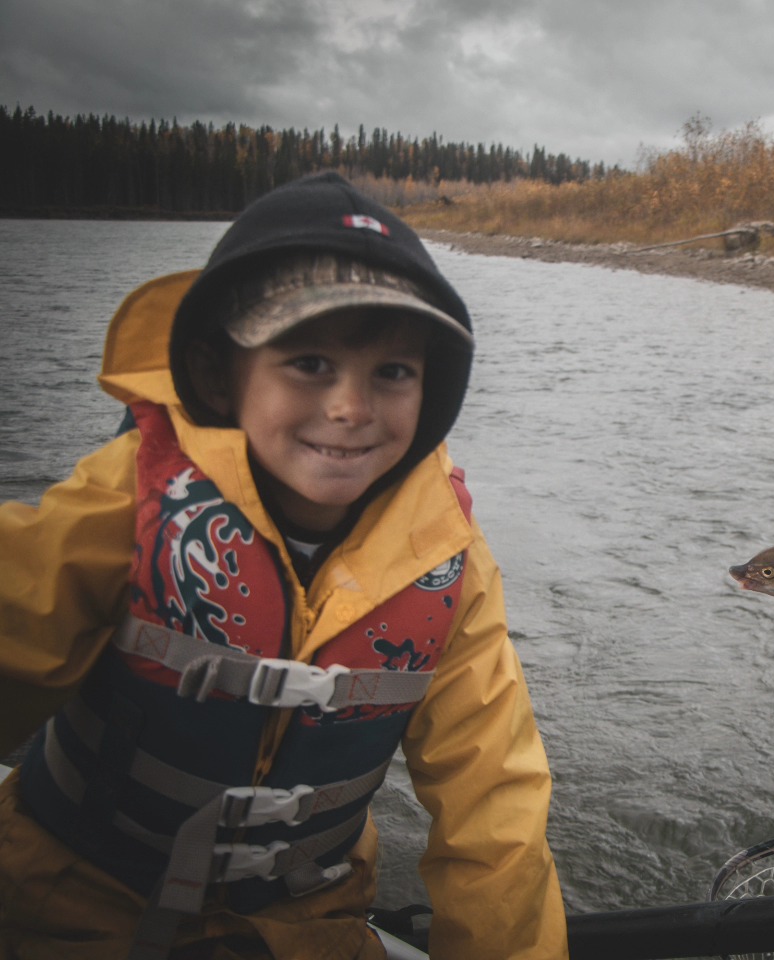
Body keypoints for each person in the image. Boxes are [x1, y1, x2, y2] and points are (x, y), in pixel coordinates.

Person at [0, 172, 568, 959]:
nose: (350, 408)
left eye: (393, 372)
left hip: (308, 936)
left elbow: (495, 811)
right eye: (308, 362)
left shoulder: (451, 561)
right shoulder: (124, 501)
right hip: (69, 915)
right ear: (217, 374)